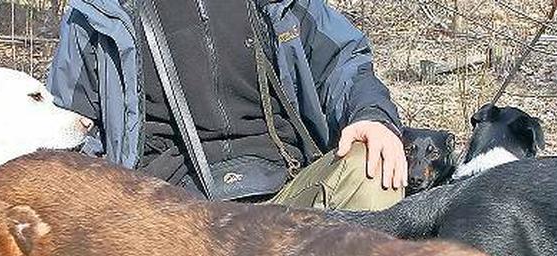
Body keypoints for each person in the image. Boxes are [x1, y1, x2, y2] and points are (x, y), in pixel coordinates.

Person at [46, 0, 407, 211]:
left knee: (373, 165)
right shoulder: (100, 11)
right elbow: (67, 130)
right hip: (166, 216)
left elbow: (343, 63)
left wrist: (372, 117)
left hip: (286, 194)